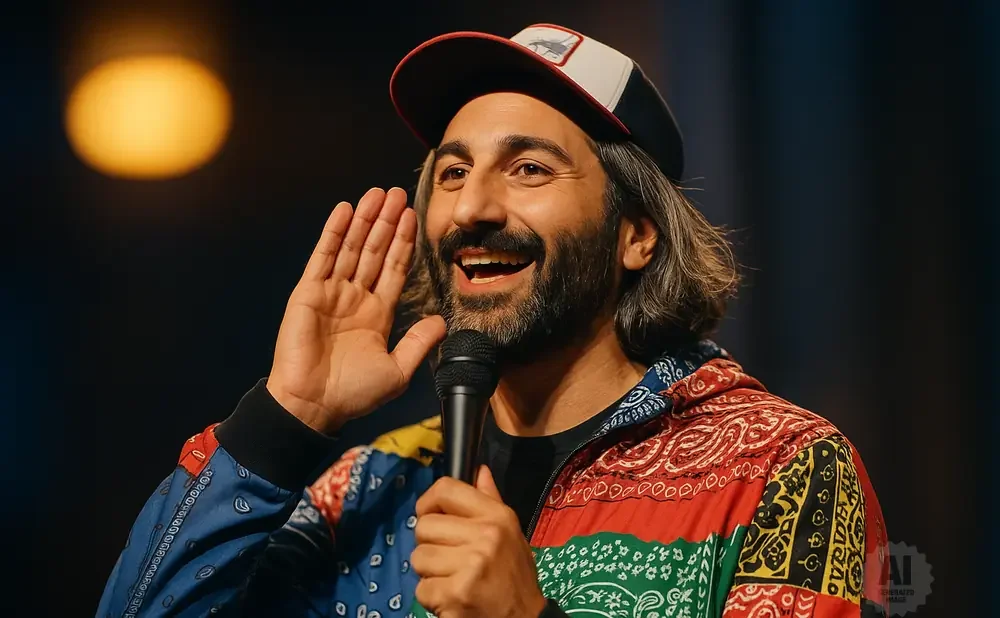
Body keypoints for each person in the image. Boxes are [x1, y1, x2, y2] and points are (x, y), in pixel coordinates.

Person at [98, 24, 889, 618]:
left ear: (636, 233)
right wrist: (283, 421)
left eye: (529, 169)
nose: (473, 207)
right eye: (452, 171)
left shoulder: (779, 468)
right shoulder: (364, 488)